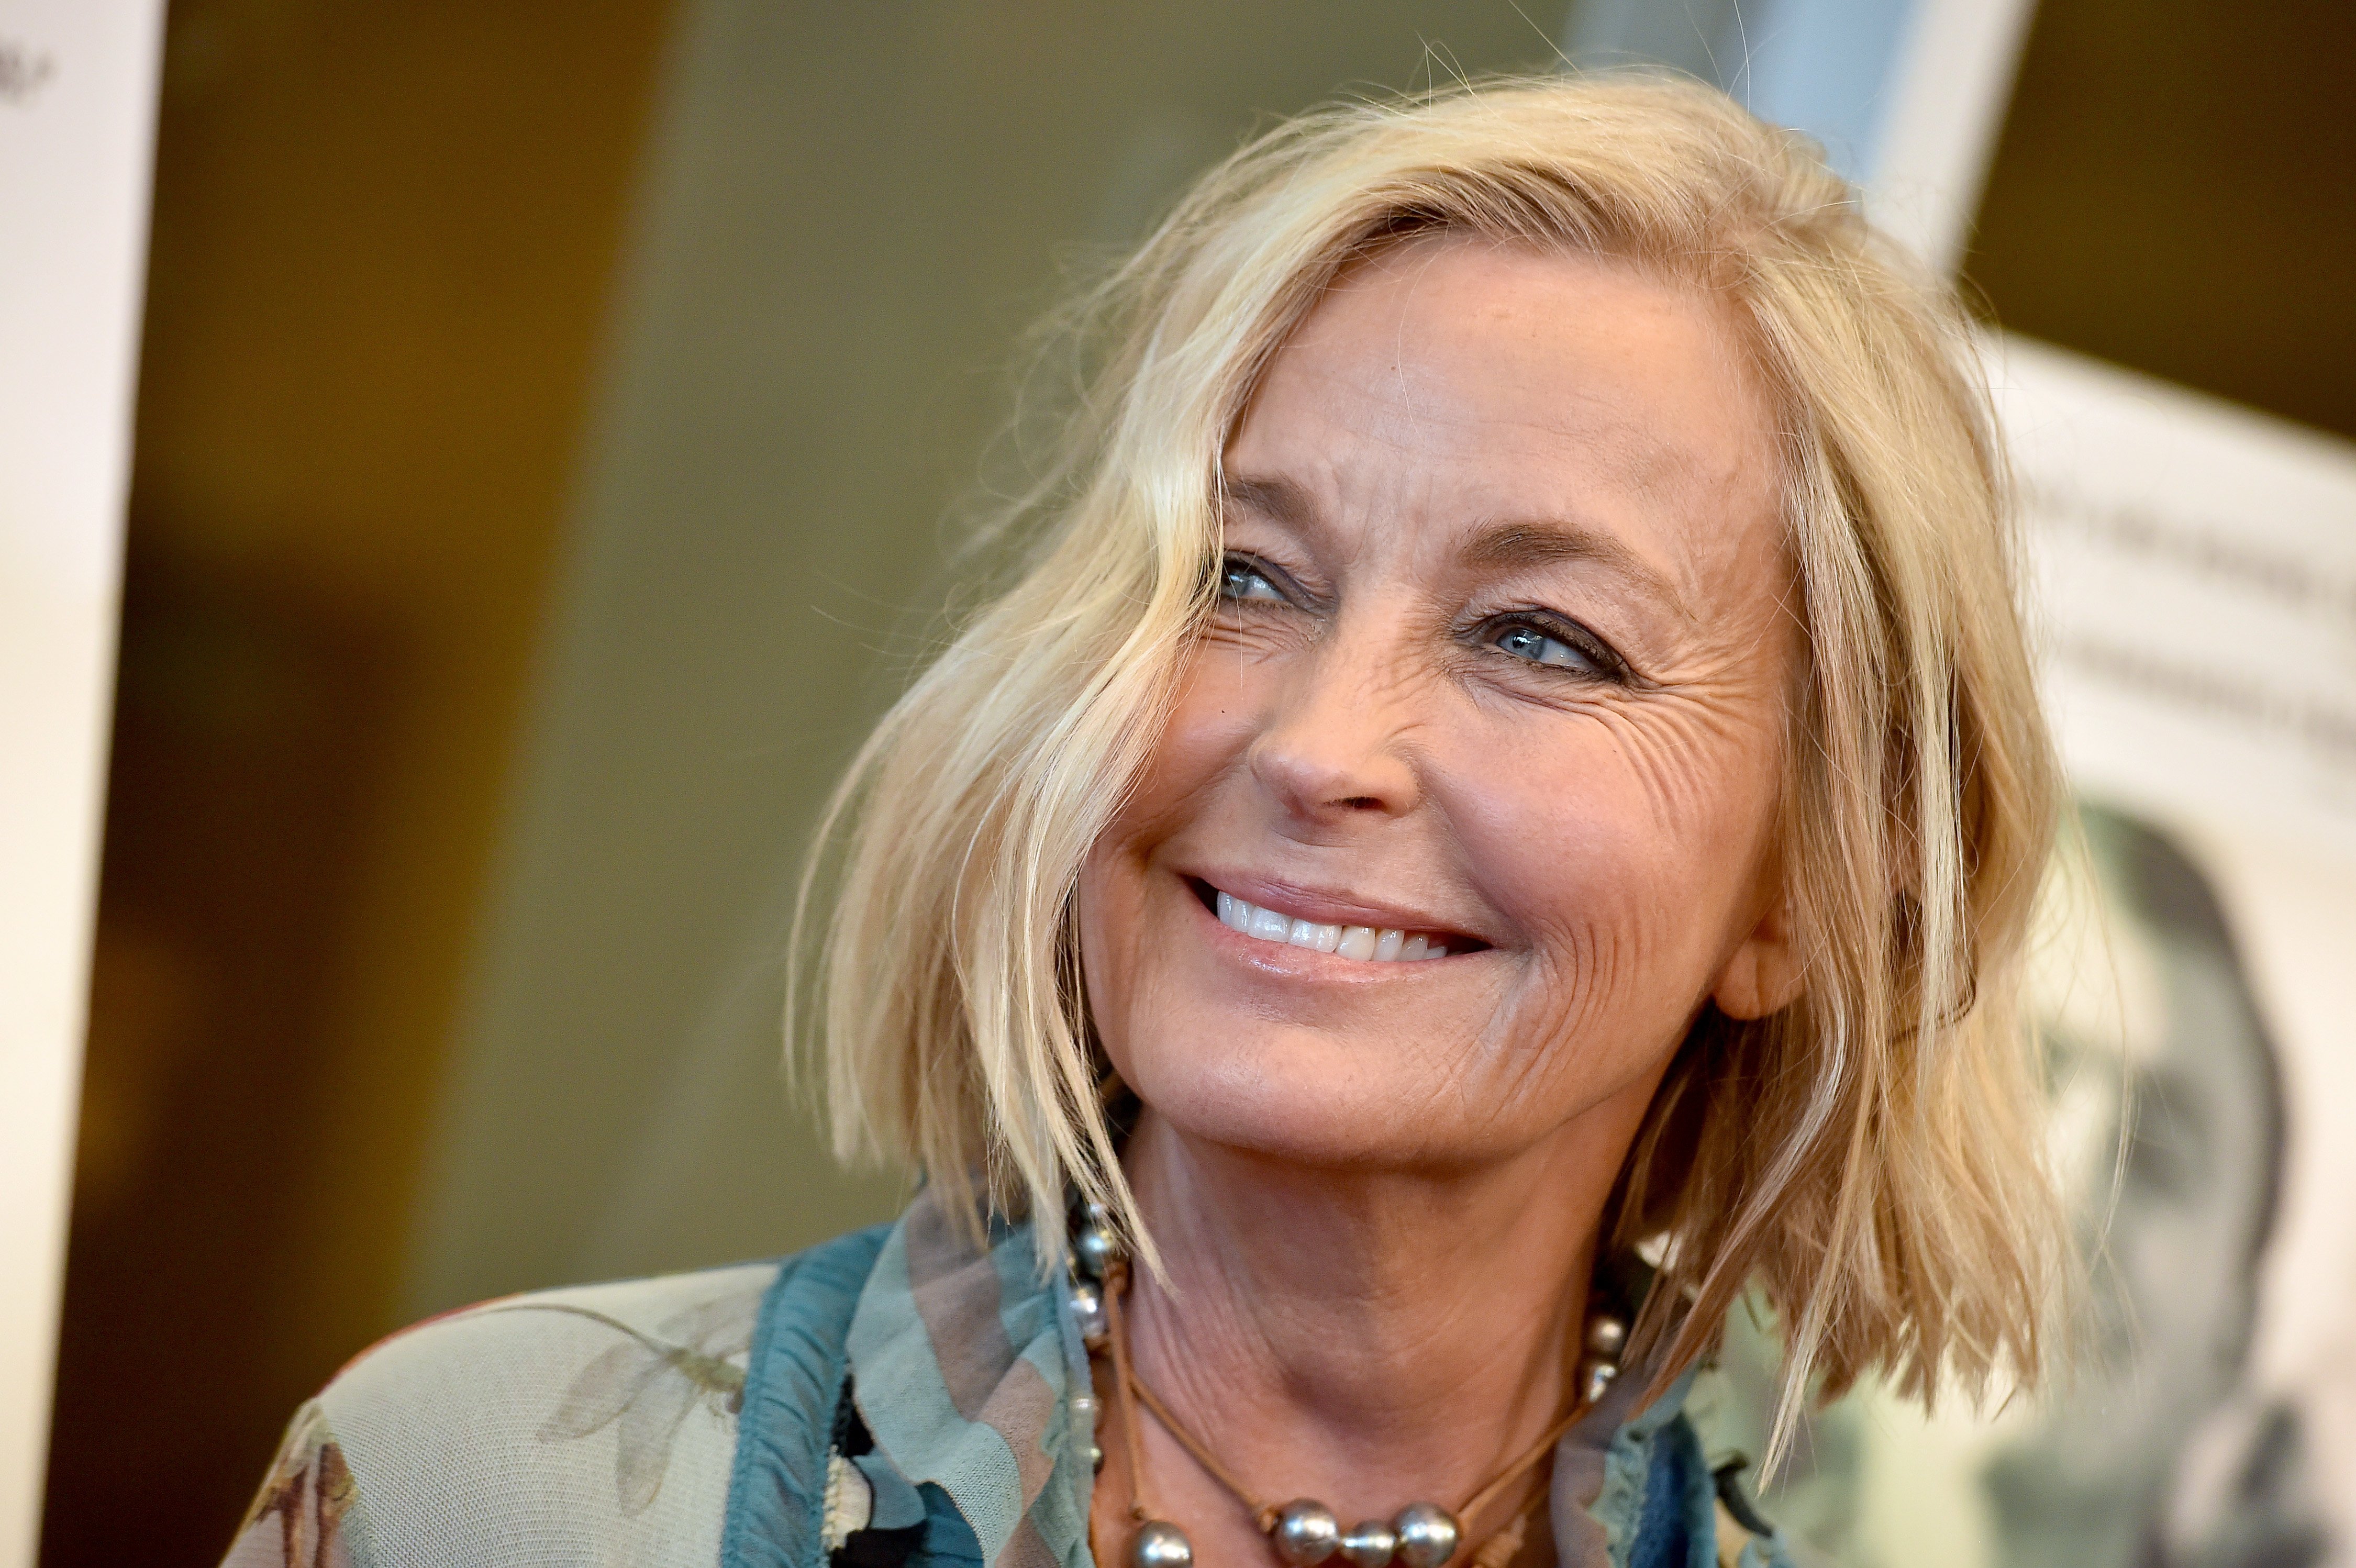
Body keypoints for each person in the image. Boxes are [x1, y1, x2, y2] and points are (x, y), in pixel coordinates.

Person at [223, 73, 2068, 1568]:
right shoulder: (486, 1500)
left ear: (1813, 890)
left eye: (1538, 635)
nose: (1317, 739)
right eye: (1245, 577)